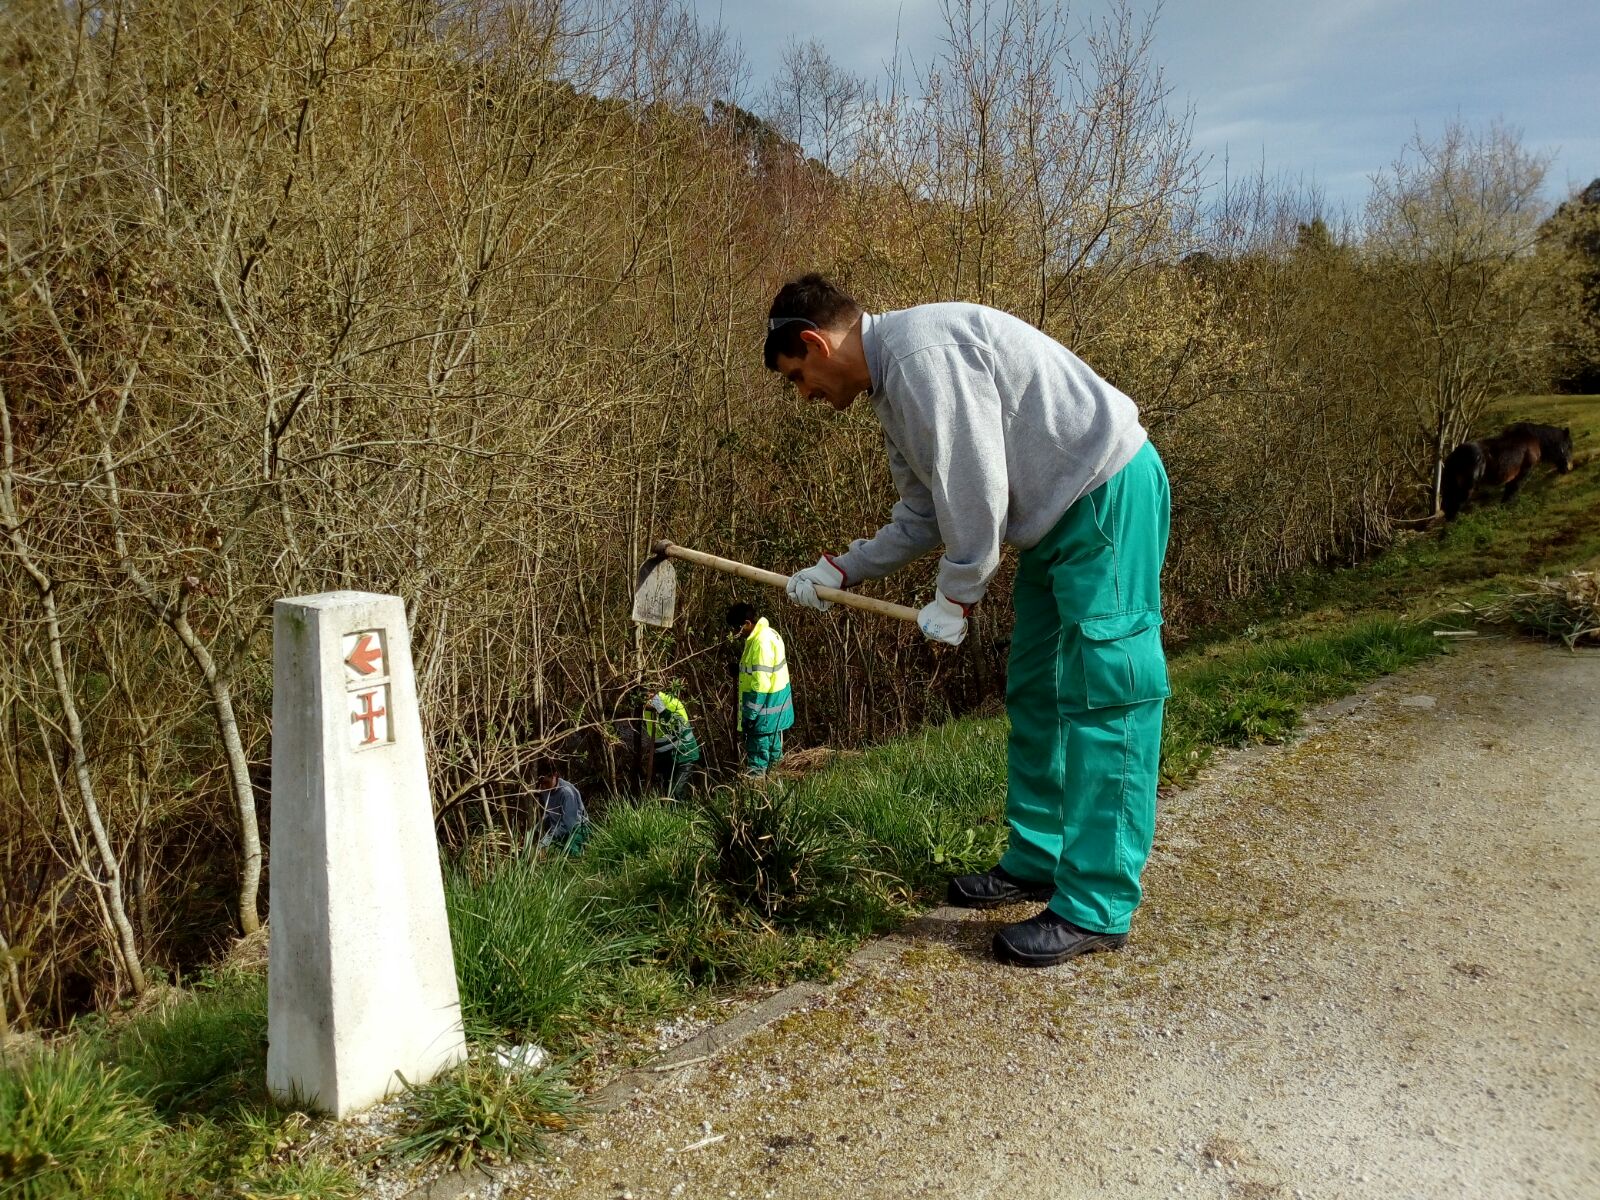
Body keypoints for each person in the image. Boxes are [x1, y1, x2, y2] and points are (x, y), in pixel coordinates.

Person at [768, 274, 1170, 968]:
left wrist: (957, 596)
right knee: (1035, 689)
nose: (806, 396)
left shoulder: (922, 358)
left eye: (799, 377)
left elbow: (976, 490)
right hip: (1052, 526)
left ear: (815, 341)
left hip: (1105, 496)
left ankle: (1099, 904)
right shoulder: (894, 391)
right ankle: (1038, 858)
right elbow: (924, 513)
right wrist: (841, 570)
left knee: (1109, 694)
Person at [727, 602, 793, 776]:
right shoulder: (768, 634)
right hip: (774, 711)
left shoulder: (760, 643)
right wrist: (740, 670)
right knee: (774, 758)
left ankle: (756, 798)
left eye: (736, 628)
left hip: (763, 714)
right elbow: (761, 671)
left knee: (757, 760)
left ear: (747, 623)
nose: (735, 633)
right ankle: (777, 792)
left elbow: (760, 684)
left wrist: (750, 716)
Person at [644, 689, 702, 798]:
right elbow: (655, 736)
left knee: (677, 792)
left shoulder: (673, 703)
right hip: (667, 758)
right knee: (668, 793)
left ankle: (687, 810)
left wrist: (662, 710)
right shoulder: (648, 711)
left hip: (685, 755)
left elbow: (677, 728)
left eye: (648, 697)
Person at [531, 757, 589, 853]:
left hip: (575, 829)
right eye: (542, 783)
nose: (544, 787)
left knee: (572, 859)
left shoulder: (567, 793)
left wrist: (547, 840)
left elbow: (569, 824)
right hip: (557, 828)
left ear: (555, 775)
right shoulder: (545, 790)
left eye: (546, 783)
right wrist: (537, 828)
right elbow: (550, 814)